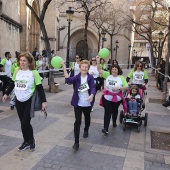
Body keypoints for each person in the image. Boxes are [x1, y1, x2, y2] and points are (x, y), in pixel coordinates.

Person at [2, 52, 47, 152]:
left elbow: (40, 88)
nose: (22, 62)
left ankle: (31, 140)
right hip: (19, 101)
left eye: (24, 61)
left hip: (29, 101)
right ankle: (26, 141)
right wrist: (6, 94)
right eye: (21, 60)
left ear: (29, 62)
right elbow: (13, 84)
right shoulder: (17, 71)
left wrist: (44, 101)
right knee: (22, 122)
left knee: (25, 123)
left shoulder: (34, 73)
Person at [61, 59, 95, 150]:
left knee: (87, 118)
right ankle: (76, 142)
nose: (84, 68)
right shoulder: (77, 77)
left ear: (88, 68)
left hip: (87, 103)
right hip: (78, 103)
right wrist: (64, 67)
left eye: (86, 67)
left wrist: (91, 95)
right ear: (80, 68)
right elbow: (68, 80)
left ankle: (86, 129)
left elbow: (92, 87)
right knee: (78, 121)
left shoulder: (90, 77)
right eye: (83, 67)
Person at [97, 56, 128, 134]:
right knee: (107, 112)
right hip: (107, 97)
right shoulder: (107, 75)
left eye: (115, 69)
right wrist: (98, 61)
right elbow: (99, 70)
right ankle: (105, 128)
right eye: (112, 69)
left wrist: (120, 87)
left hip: (116, 98)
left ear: (118, 70)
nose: (114, 70)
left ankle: (114, 121)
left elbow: (127, 86)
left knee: (114, 111)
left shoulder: (121, 78)